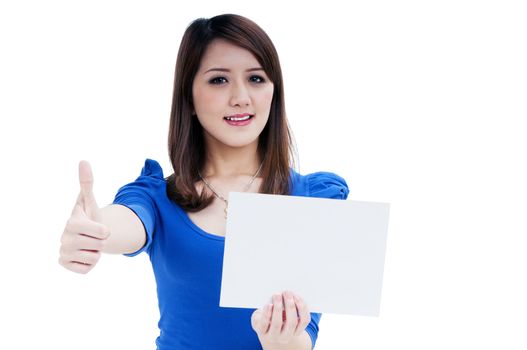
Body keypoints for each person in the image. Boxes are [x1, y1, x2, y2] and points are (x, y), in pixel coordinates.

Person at [59, 13, 349, 350]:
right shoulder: (159, 197)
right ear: (189, 98)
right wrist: (94, 231)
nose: (241, 96)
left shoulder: (314, 200)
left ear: (274, 92)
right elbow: (124, 222)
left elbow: (302, 342)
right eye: (219, 80)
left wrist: (277, 339)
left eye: (256, 78)